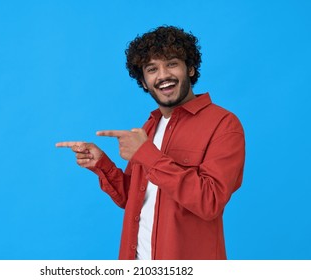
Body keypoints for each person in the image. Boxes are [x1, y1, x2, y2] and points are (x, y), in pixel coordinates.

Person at [56, 26, 245, 260]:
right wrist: (102, 165)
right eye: (152, 69)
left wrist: (146, 154)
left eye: (172, 63)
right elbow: (133, 198)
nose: (163, 75)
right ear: (144, 82)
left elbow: (210, 201)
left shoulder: (224, 124)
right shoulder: (149, 127)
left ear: (191, 69)